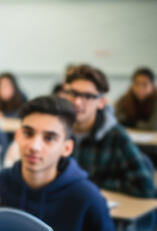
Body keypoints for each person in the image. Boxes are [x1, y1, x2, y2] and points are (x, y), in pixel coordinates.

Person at [0, 96, 114, 231]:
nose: (34, 146)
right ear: (17, 136)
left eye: (49, 138)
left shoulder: (88, 198)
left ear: (67, 148)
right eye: (28, 133)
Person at [64, 64, 154, 198]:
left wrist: (92, 182)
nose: (77, 102)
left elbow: (145, 188)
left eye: (87, 96)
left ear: (101, 102)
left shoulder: (116, 136)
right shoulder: (58, 131)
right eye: (73, 94)